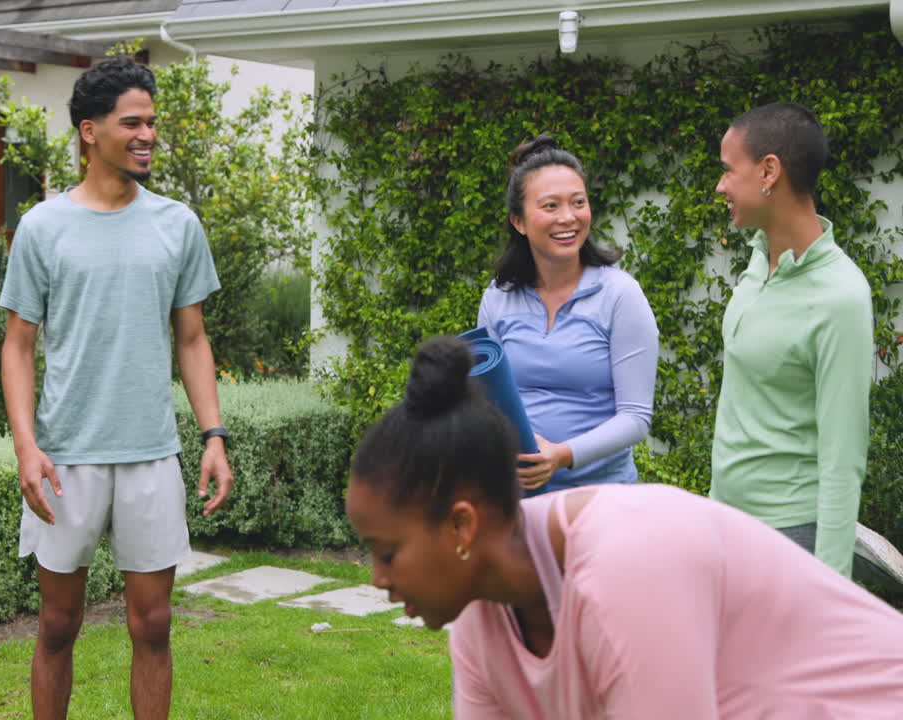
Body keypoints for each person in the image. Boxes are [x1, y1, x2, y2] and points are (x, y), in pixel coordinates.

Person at [346, 336, 903, 719]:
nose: (377, 578)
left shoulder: (630, 565)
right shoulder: (484, 622)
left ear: (462, 527)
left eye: (388, 552)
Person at [0, 58, 234, 720]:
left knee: (153, 625)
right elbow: (17, 347)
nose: (148, 135)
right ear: (89, 131)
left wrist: (213, 434)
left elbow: (192, 340)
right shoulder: (44, 227)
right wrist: (26, 448)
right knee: (57, 624)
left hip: (151, 451)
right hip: (66, 454)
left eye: (152, 123)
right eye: (132, 123)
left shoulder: (177, 224)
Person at [709, 103, 873, 577]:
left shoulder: (840, 296)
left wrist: (832, 591)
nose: (720, 186)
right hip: (725, 523)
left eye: (727, 170)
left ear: (768, 171)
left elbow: (844, 459)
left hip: (789, 540)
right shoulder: (758, 263)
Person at [477, 135, 658, 495]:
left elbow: (636, 418)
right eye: (550, 206)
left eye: (578, 202)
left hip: (601, 502)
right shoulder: (498, 297)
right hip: (519, 501)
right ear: (519, 221)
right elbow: (486, 401)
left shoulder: (620, 295)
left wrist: (560, 455)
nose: (568, 217)